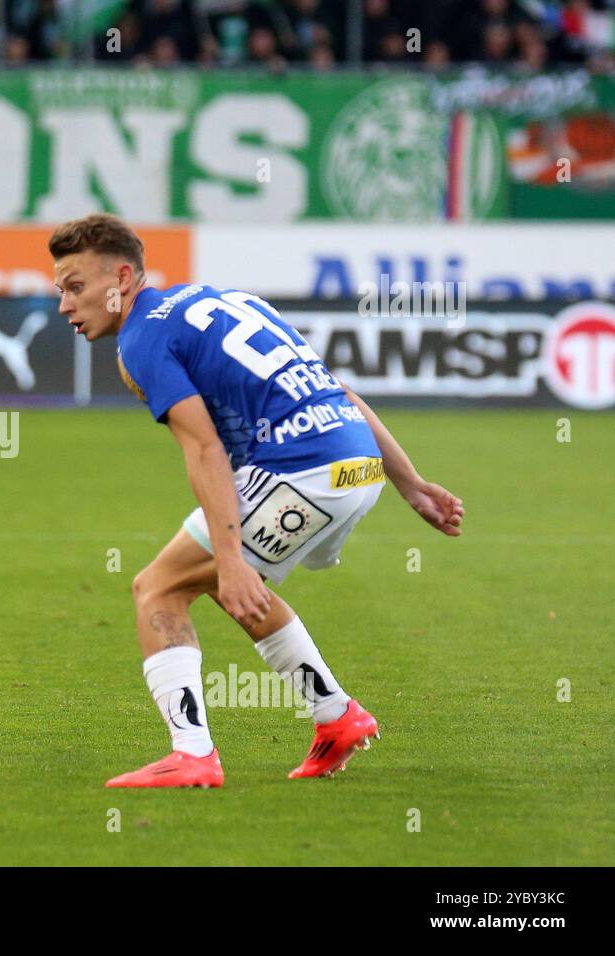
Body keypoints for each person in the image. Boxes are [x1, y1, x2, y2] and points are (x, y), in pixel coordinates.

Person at [49, 214, 464, 787]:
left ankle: (192, 753)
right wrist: (408, 482)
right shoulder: (222, 299)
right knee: (230, 583)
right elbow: (337, 391)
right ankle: (336, 716)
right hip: (356, 464)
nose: (65, 304)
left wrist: (228, 554)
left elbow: (204, 449)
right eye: (59, 291)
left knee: (159, 587)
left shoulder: (144, 337)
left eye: (75, 287)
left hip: (303, 467)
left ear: (122, 276)